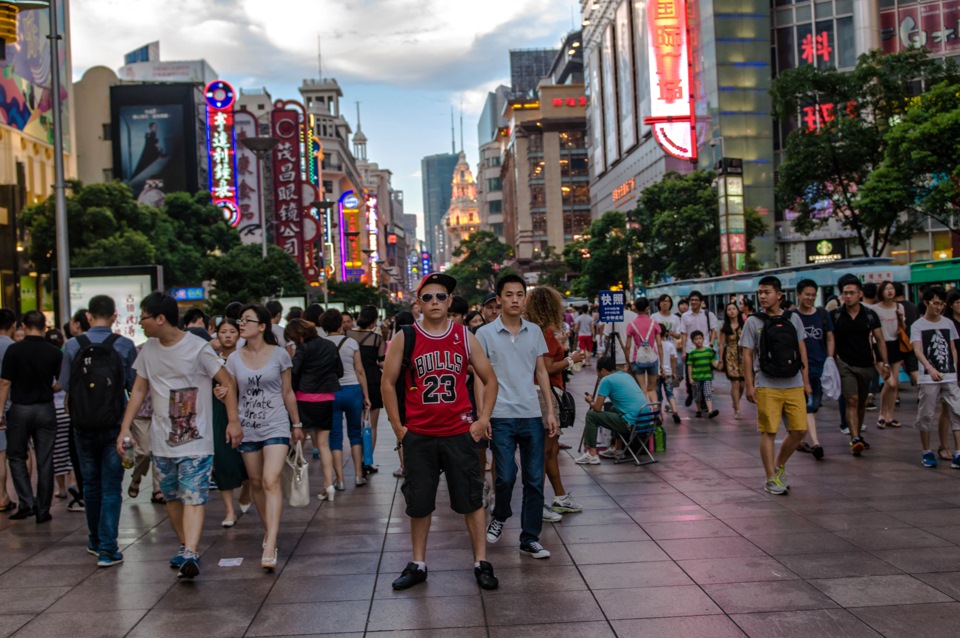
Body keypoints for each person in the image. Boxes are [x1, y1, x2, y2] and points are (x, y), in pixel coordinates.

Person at [381, 272, 500, 591]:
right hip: (419, 435)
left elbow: (490, 379)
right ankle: (418, 563)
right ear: (418, 303)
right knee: (419, 503)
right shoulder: (405, 337)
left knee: (472, 501)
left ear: (450, 302)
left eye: (442, 296)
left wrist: (481, 419)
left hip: (459, 433)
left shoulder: (463, 336)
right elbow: (387, 384)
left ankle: (481, 562)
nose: (435, 301)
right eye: (428, 297)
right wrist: (398, 428)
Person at [116, 292, 241, 579]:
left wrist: (233, 421)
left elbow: (227, 381)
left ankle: (191, 551)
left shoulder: (198, 348)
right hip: (162, 440)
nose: (140, 323)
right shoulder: (148, 349)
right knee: (171, 496)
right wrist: (125, 427)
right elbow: (138, 390)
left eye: (143, 317)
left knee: (194, 496)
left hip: (197, 441)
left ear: (160, 318)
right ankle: (186, 547)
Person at [476, 274, 558, 559]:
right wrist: (482, 416)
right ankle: (501, 514)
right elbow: (479, 378)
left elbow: (542, 372)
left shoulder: (534, 331)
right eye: (508, 295)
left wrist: (549, 410)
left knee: (535, 479)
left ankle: (529, 538)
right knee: (506, 476)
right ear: (498, 299)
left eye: (519, 295)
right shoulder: (484, 334)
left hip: (531, 414)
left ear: (525, 298)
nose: (514, 299)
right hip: (499, 415)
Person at [59, 297, 138, 565]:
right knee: (111, 488)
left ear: (89, 316)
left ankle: (94, 540)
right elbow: (132, 385)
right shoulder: (124, 346)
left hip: (82, 426)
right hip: (116, 426)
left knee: (90, 485)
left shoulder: (72, 345)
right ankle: (108, 548)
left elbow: (65, 384)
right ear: (114, 316)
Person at [223, 305, 302, 570]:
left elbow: (288, 392)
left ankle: (270, 544)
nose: (241, 324)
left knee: (270, 480)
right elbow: (231, 391)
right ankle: (270, 531)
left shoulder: (279, 354)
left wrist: (297, 424)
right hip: (247, 426)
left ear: (262, 326)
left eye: (247, 320)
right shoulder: (234, 358)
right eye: (239, 320)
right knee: (256, 482)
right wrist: (227, 410)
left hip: (276, 424)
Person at [740, 276, 812, 495]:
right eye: (760, 292)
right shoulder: (753, 322)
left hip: (793, 382)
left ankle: (779, 465)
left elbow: (802, 351)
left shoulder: (793, 319)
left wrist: (806, 382)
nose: (762, 296)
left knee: (800, 430)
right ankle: (770, 476)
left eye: (767, 292)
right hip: (766, 383)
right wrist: (749, 385)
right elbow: (746, 354)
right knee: (769, 431)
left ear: (779, 295)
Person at [522, 286, 585, 521]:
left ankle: (558, 496)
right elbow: (546, 369)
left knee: (548, 451)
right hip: (545, 395)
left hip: (538, 394)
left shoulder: (534, 330)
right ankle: (539, 502)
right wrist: (570, 359)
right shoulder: (545, 332)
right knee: (546, 451)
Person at [0, 310, 62, 524]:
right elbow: (60, 383)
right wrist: (48, 388)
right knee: (45, 460)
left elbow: (5, 383)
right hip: (46, 408)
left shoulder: (14, 350)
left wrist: (0, 413)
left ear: (24, 327)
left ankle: (27, 502)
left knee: (16, 456)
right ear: (44, 327)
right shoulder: (54, 352)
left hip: (20, 409)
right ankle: (43, 510)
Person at [831, 274, 890, 456]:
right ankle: (855, 437)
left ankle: (858, 435)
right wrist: (832, 360)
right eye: (845, 293)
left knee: (862, 402)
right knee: (852, 400)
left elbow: (880, 339)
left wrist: (885, 363)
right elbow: (830, 340)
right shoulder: (836, 315)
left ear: (860, 294)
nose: (848, 296)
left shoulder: (870, 315)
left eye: (852, 293)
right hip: (844, 364)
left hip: (866, 364)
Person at [285, 318, 342, 500]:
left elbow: (294, 372)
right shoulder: (329, 345)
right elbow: (339, 371)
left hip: (305, 399)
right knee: (324, 445)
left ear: (299, 335)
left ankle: (297, 480)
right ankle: (329, 484)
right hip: (326, 398)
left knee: (299, 440)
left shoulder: (303, 348)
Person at [910, 287, 960, 468]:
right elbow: (917, 349)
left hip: (949, 375)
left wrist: (953, 369)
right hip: (928, 377)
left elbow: (952, 347)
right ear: (926, 303)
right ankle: (926, 451)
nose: (939, 307)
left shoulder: (948, 323)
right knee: (926, 414)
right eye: (935, 303)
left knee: (957, 411)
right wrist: (929, 368)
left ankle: (958, 453)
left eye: (942, 304)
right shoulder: (918, 325)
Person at [323, 309, 372, 489]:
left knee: (335, 436)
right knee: (355, 433)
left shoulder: (321, 344)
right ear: (340, 324)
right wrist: (366, 396)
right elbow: (360, 370)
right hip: (353, 390)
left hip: (331, 392)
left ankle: (340, 480)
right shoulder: (351, 342)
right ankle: (359, 475)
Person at [211, 318, 249, 528]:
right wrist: (216, 391)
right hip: (220, 414)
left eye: (232, 331)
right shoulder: (211, 360)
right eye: (223, 332)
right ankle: (228, 510)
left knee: (250, 459)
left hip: (247, 413)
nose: (227, 335)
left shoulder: (246, 359)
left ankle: (247, 489)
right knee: (223, 459)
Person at [575, 356, 649, 464]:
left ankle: (591, 454)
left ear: (603, 370)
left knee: (591, 415)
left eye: (597, 372)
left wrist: (590, 401)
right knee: (614, 409)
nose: (597, 375)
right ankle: (617, 449)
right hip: (646, 421)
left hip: (631, 424)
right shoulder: (626, 375)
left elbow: (597, 408)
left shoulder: (606, 380)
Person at [347, 305, 386, 475]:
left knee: (356, 424)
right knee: (372, 424)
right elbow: (382, 362)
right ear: (374, 320)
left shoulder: (347, 336)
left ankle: (357, 461)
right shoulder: (378, 339)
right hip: (372, 381)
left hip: (352, 381)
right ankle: (367, 460)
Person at [869, 281, 905, 428]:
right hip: (880, 345)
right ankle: (882, 415)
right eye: (886, 289)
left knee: (894, 383)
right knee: (888, 382)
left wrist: (901, 317)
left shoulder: (899, 306)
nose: (890, 291)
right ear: (881, 292)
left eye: (891, 288)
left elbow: (903, 327)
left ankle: (890, 416)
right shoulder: (874, 309)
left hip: (895, 345)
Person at [678, 291, 718, 410]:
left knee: (706, 376)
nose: (694, 302)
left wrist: (710, 345)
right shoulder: (685, 316)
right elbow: (684, 334)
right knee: (690, 375)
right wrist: (684, 351)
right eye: (692, 300)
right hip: (691, 350)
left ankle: (705, 403)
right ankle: (691, 393)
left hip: (705, 349)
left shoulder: (708, 314)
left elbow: (713, 330)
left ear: (701, 302)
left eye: (696, 300)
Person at [0, 309, 17, 512]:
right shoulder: (13, 348)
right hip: (10, 406)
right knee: (3, 454)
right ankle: (3, 496)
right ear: (13, 325)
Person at [717, 302, 745, 418]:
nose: (732, 311)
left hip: (743, 356)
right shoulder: (725, 328)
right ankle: (737, 410)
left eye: (734, 309)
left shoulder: (745, 325)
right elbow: (721, 344)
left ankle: (736, 401)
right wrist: (720, 360)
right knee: (735, 383)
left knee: (743, 384)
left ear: (738, 311)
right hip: (730, 355)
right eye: (729, 309)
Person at [687, 331, 719, 418]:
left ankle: (710, 411)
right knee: (697, 395)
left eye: (700, 338)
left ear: (703, 339)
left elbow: (713, 362)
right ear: (692, 341)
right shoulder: (692, 353)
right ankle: (698, 410)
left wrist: (718, 366)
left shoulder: (708, 351)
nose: (698, 341)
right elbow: (689, 366)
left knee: (708, 393)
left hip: (707, 376)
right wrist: (690, 378)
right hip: (696, 377)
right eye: (696, 339)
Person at [896, 282, 920, 387]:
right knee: (913, 367)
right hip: (912, 340)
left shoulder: (895, 307)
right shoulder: (913, 306)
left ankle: (895, 396)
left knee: (895, 369)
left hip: (898, 341)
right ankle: (921, 391)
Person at [657, 326, 681, 423]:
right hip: (668, 372)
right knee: (670, 393)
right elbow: (673, 359)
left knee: (657, 395)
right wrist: (674, 372)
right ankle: (675, 411)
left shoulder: (654, 345)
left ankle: (659, 415)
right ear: (666, 333)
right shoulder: (670, 345)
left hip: (656, 373)